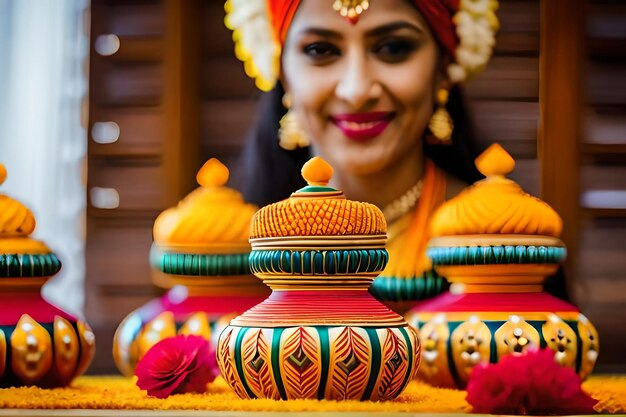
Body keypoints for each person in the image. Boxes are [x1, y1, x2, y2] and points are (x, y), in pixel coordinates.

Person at [224, 0, 567, 311]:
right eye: (320, 49)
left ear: (445, 66)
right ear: (282, 72)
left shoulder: (503, 240)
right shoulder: (225, 246)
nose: (356, 90)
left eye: (392, 47)